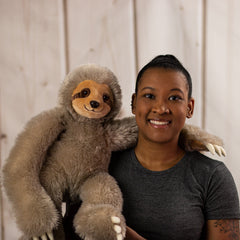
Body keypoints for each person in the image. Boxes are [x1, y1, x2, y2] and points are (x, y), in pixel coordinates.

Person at [64, 55, 240, 240]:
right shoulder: (98, 165)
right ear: (133, 102)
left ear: (189, 107)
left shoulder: (212, 177)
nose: (161, 108)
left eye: (174, 98)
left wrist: (123, 234)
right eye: (149, 96)